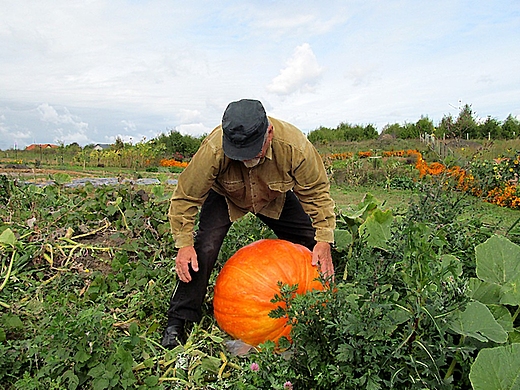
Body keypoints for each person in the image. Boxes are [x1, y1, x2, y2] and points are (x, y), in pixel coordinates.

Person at [162, 99, 336, 349]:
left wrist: (324, 239)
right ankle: (178, 320)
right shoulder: (213, 149)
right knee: (203, 249)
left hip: (273, 196)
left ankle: (323, 307)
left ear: (269, 133)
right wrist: (184, 244)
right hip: (226, 195)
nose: (246, 160)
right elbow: (185, 196)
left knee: (313, 243)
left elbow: (317, 192)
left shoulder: (294, 146)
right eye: (238, 154)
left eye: (253, 152)